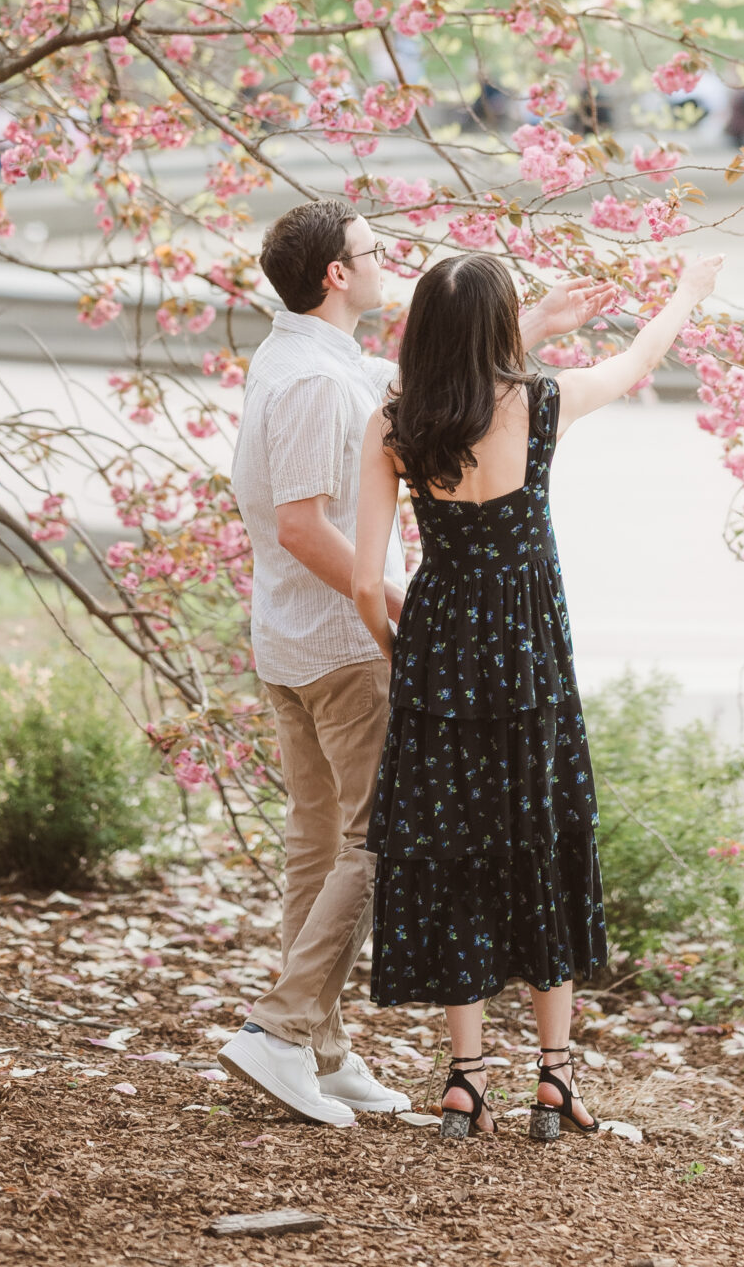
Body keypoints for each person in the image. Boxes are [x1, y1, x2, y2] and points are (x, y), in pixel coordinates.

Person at [219, 197, 600, 1130]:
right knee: (379, 842)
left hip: (296, 642)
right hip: (345, 652)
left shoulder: (306, 358)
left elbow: (439, 381)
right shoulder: (318, 386)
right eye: (371, 251)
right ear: (337, 277)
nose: (386, 260)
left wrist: (525, 324)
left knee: (321, 843)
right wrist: (418, 622)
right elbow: (305, 525)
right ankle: (280, 1031)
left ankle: (318, 1046)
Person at [351, 248, 722, 1143]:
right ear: (495, 332)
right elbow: (635, 363)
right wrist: (685, 292)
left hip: (440, 655)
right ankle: (553, 1079)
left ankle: (464, 1081)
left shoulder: (394, 425)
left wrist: (408, 658)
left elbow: (366, 579)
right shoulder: (540, 404)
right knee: (536, 842)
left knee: (455, 850)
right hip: (528, 663)